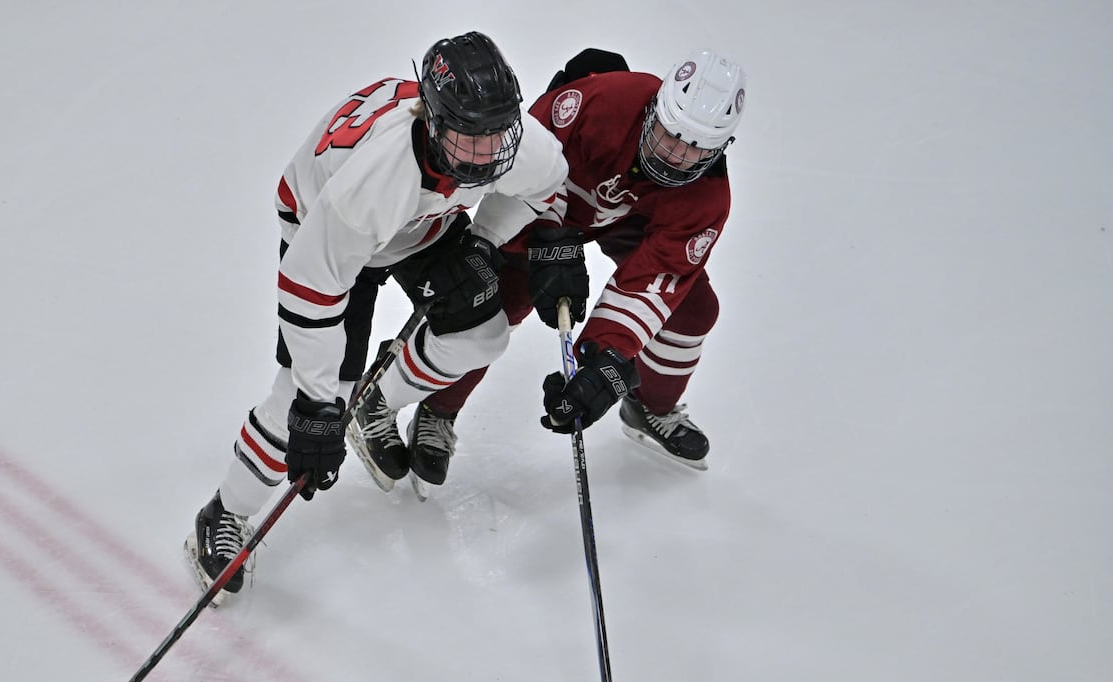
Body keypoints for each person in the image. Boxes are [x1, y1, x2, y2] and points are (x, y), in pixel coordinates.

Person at [185, 32, 577, 599]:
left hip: (421, 224)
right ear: (434, 123)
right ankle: (225, 511)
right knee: (303, 395)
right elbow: (309, 287)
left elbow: (547, 181)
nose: (488, 154)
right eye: (471, 138)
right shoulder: (374, 181)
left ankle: (376, 402)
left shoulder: (501, 141)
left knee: (483, 335)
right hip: (326, 233)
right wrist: (316, 405)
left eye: (497, 134)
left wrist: (484, 239)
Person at [418, 48, 748, 471]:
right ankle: (438, 410)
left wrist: (603, 360)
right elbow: (528, 159)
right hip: (552, 202)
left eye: (696, 150)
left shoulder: (706, 197)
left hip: (630, 220)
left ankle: (649, 407)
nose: (675, 156)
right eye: (670, 136)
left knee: (694, 311)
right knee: (496, 305)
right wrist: (549, 238)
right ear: (654, 109)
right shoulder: (602, 102)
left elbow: (654, 282)